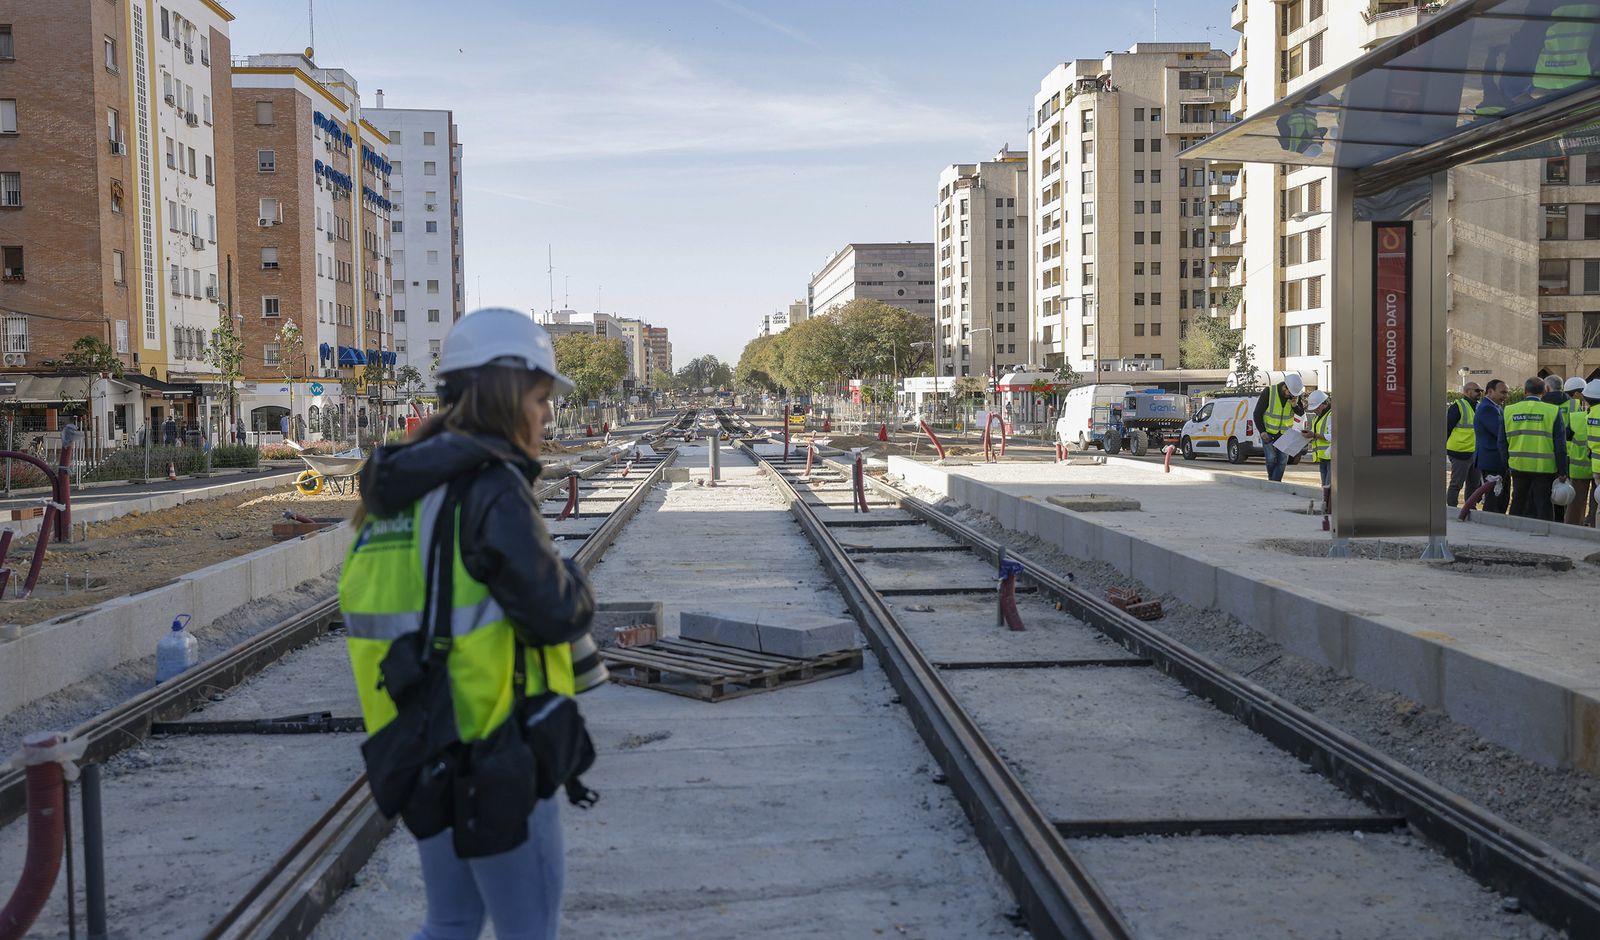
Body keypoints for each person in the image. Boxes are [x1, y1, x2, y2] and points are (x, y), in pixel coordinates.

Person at [339, 308, 596, 940]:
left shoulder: (390, 497)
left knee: (449, 923)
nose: (546, 416)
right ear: (508, 392)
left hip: (418, 741)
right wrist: (574, 579)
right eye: (540, 399)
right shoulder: (489, 487)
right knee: (527, 929)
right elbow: (552, 612)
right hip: (496, 743)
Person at [1506, 377, 1567, 520]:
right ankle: (1545, 537)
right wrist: (1562, 470)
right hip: (1544, 468)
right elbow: (1560, 444)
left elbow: (1501, 442)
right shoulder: (1552, 410)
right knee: (1544, 504)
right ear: (1544, 391)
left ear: (1525, 391)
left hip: (1518, 465)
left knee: (1518, 501)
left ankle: (1511, 534)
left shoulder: (1509, 410)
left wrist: (1505, 464)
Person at [1253, 372, 1305, 483]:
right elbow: (1257, 414)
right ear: (1284, 386)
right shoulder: (1269, 392)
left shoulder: (1294, 396)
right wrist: (1262, 431)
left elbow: (1301, 413)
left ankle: (1275, 483)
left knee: (1282, 460)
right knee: (1271, 459)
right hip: (1268, 432)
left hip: (1285, 434)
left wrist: (1295, 405)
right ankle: (1273, 482)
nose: (1291, 396)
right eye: (1289, 393)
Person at [1474, 379, 1511, 514]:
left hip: (1495, 459)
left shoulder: (1494, 407)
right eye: (1502, 392)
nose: (1505, 396)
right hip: (1492, 460)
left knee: (1501, 498)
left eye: (1507, 393)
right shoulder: (1487, 409)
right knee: (1495, 500)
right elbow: (1500, 432)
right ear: (1490, 392)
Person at [1561, 376, 1594, 526]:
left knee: (1576, 503)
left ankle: (1573, 527)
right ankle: (1594, 524)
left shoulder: (1576, 418)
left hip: (1579, 467)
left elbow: (1567, 437)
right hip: (1597, 467)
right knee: (1597, 502)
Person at [1445, 382, 1481, 508]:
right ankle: (1452, 509)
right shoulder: (1457, 407)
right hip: (1459, 452)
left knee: (1474, 485)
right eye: (1476, 390)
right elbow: (1447, 428)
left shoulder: (1479, 407)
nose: (1479, 393)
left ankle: (1470, 508)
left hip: (1474, 452)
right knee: (1456, 484)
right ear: (1467, 391)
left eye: (1480, 390)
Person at [1306, 390, 1332, 489]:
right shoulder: (1317, 418)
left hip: (1331, 458)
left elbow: (1334, 436)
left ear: (1324, 404)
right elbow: (1314, 435)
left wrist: (1314, 435)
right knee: (1325, 487)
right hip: (1323, 457)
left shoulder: (1331, 415)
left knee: (1329, 487)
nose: (1314, 411)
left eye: (1316, 407)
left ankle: (1328, 504)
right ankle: (1325, 503)